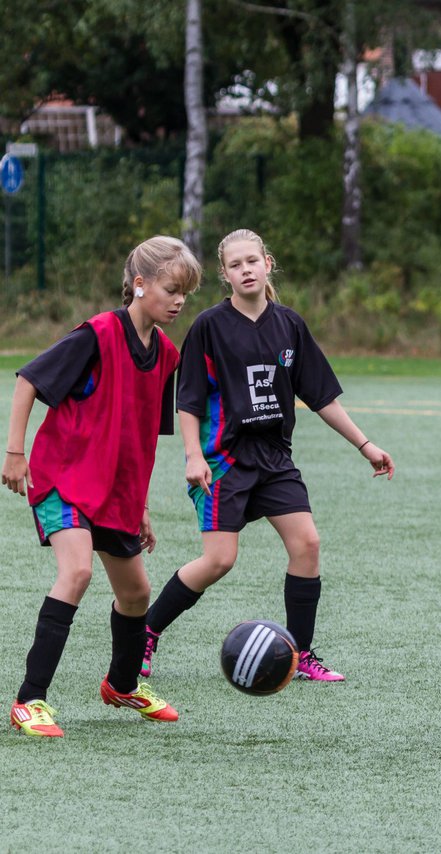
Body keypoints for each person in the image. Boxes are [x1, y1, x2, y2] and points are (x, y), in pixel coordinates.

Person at [141, 229, 394, 683]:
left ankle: (300, 654)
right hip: (224, 460)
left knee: (308, 545)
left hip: (275, 457)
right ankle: (147, 631)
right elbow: (189, 400)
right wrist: (192, 456)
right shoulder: (209, 327)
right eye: (236, 265)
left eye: (252, 261)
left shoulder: (289, 325)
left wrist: (365, 444)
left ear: (267, 264)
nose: (246, 270)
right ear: (225, 275)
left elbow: (321, 397)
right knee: (219, 560)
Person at [5, 236, 202, 737]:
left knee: (136, 593)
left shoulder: (166, 357)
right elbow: (30, 380)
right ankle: (30, 701)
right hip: (61, 478)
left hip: (114, 492)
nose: (180, 301)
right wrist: (15, 452)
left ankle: (121, 684)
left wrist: (139, 508)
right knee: (77, 573)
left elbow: (138, 438)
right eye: (172, 289)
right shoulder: (96, 334)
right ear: (139, 284)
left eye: (186, 293)